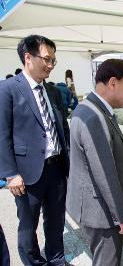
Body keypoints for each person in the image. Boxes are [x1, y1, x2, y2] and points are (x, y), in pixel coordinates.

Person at [0, 35, 70, 265]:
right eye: (47, 59)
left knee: (56, 219)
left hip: (57, 168)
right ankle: (33, 262)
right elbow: (2, 135)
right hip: (26, 173)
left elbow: (63, 129)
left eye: (54, 61)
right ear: (28, 57)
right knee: (28, 224)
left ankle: (56, 257)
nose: (50, 65)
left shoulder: (54, 92)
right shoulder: (7, 89)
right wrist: (11, 174)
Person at [66, 59, 123, 266]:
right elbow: (104, 173)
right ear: (113, 83)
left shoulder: (90, 108)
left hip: (97, 206)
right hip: (103, 212)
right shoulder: (94, 117)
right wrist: (122, 215)